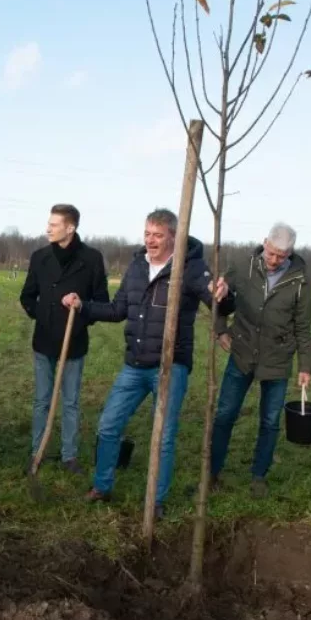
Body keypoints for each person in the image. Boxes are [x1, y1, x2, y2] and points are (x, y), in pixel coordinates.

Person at [63, 208, 216, 515]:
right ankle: (102, 487)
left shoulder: (190, 268)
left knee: (164, 436)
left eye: (158, 235)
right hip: (134, 364)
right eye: (147, 233)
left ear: (173, 236)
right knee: (107, 426)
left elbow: (218, 305)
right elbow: (118, 309)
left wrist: (223, 295)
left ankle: (156, 499)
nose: (150, 240)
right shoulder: (136, 266)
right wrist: (83, 307)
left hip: (170, 366)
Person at [208, 222, 311, 499]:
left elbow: (303, 325)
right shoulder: (244, 265)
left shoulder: (300, 279)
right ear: (264, 243)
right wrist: (220, 329)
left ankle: (259, 476)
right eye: (271, 253)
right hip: (242, 352)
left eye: (281, 256)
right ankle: (211, 473)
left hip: (277, 359)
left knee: (269, 421)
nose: (274, 260)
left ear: (290, 253)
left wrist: (305, 366)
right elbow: (219, 296)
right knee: (225, 415)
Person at [21, 204, 108, 475]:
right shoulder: (40, 257)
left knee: (70, 401)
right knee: (42, 400)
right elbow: (27, 296)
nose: (48, 228)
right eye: (49, 223)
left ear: (70, 228)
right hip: (44, 340)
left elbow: (101, 301)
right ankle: (38, 450)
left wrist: (81, 313)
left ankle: (69, 456)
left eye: (54, 224)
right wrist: (44, 315)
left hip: (74, 340)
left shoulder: (92, 259)